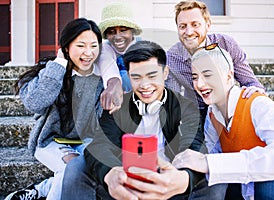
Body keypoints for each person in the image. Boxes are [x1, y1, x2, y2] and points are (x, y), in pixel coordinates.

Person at [61, 40, 227, 200]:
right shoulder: (118, 106)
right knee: (77, 166)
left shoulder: (186, 108)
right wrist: (110, 173)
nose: (144, 85)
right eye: (136, 77)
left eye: (151, 75)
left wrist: (184, 178)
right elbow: (99, 145)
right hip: (125, 189)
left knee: (213, 177)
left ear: (165, 73)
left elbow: (194, 148)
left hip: (169, 187)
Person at [5, 18, 123, 200]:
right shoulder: (52, 71)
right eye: (81, 46)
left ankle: (42, 189)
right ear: (66, 47)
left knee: (93, 168)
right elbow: (35, 103)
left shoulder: (101, 76)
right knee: (71, 168)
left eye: (93, 46)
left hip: (85, 141)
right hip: (50, 141)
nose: (88, 53)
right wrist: (59, 64)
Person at [172, 45, 274, 200]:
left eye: (208, 75)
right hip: (248, 189)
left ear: (228, 76)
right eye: (194, 77)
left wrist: (210, 163)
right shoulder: (212, 114)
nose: (199, 84)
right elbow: (214, 155)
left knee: (270, 187)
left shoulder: (258, 104)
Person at [165, 0, 265, 120]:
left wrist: (256, 94)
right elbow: (171, 99)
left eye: (195, 24)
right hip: (197, 113)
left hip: (228, 109)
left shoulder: (226, 44)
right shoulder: (172, 57)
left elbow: (251, 83)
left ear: (208, 25)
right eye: (182, 26)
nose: (189, 32)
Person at [98, 2, 143, 92]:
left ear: (132, 31)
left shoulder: (144, 49)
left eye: (123, 30)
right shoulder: (105, 49)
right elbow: (108, 69)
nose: (118, 37)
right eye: (111, 32)